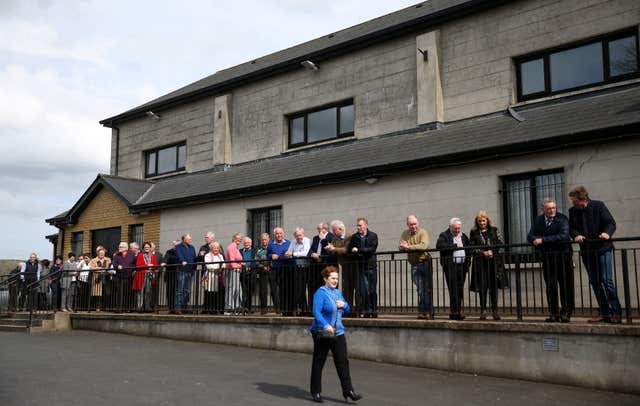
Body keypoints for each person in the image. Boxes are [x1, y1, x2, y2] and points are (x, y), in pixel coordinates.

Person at [568, 186, 622, 324]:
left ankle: (616, 313)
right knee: (595, 282)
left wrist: (607, 233)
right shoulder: (573, 211)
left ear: (583, 199)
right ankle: (604, 313)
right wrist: (576, 235)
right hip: (587, 251)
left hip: (603, 248)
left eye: (575, 201)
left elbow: (610, 222)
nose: (573, 204)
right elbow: (572, 228)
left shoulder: (598, 205)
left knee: (606, 280)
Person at [309, 266, 362, 403]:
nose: (335, 281)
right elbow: (316, 312)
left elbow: (348, 309)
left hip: (338, 332)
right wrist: (325, 325)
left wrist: (344, 305)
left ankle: (348, 390)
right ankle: (316, 391)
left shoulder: (338, 293)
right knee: (319, 361)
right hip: (322, 332)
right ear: (326, 279)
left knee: (342, 361)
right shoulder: (320, 293)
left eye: (337, 278)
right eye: (332, 278)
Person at [527, 200, 574, 323]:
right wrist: (534, 240)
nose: (552, 210)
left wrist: (542, 240)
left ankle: (566, 312)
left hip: (563, 257)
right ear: (544, 210)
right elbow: (530, 235)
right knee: (551, 286)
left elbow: (563, 235)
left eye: (554, 208)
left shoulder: (562, 218)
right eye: (549, 209)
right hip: (547, 258)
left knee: (565, 285)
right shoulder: (539, 220)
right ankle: (554, 313)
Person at [470, 211, 508, 321]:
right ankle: (483, 310)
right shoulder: (474, 232)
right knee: (482, 287)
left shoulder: (494, 230)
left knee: (493, 287)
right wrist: (483, 253)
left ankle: (495, 311)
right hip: (480, 265)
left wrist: (492, 251)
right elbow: (471, 247)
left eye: (483, 220)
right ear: (477, 222)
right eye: (480, 221)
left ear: (487, 221)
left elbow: (501, 243)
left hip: (494, 263)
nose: (482, 223)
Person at [436, 218, 471, 320]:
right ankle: (455, 312)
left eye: (458, 228)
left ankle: (456, 311)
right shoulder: (444, 235)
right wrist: (455, 246)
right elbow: (440, 245)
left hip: (462, 266)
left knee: (459, 290)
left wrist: (468, 263)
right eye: (455, 228)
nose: (457, 231)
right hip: (451, 267)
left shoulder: (463, 236)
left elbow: (469, 249)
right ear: (450, 227)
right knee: (453, 290)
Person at [399, 215, 432, 319]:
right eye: (411, 224)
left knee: (426, 289)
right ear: (407, 225)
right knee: (420, 289)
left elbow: (424, 246)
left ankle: (427, 312)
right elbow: (400, 246)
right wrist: (404, 247)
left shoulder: (423, 232)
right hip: (414, 265)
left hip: (425, 262)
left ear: (418, 223)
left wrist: (408, 247)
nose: (413, 226)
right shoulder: (405, 233)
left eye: (415, 224)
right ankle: (423, 311)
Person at [348, 218, 378, 318]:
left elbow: (372, 249)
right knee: (363, 290)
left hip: (371, 266)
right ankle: (366, 311)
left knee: (372, 290)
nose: (358, 227)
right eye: (357, 225)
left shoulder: (373, 235)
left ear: (366, 225)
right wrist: (354, 251)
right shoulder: (354, 237)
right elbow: (350, 250)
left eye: (360, 225)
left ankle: (374, 311)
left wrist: (359, 250)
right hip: (360, 267)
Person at [325, 220, 355, 313]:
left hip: (354, 265)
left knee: (356, 288)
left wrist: (334, 248)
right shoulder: (335, 238)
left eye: (334, 230)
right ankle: (348, 309)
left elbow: (346, 250)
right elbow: (333, 250)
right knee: (346, 288)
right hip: (344, 265)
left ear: (341, 229)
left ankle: (358, 311)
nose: (333, 233)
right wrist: (329, 249)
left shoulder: (350, 236)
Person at [307, 223, 335, 310]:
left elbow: (329, 250)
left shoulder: (331, 237)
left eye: (319, 229)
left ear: (324, 229)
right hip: (315, 266)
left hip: (326, 266)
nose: (318, 230)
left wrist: (323, 239)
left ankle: (327, 307)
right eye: (318, 229)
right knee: (315, 287)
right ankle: (314, 307)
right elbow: (310, 250)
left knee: (326, 287)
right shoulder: (315, 238)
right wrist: (312, 254)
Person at [267, 227, 292, 316]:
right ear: (274, 235)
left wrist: (282, 257)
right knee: (274, 290)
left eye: (280, 233)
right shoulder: (270, 245)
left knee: (284, 290)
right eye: (277, 234)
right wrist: (271, 256)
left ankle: (285, 309)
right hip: (274, 269)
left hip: (285, 269)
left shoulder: (289, 243)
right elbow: (267, 255)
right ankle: (277, 309)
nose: (279, 235)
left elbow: (291, 254)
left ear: (283, 234)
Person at [255, 233, 279, 314]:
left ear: (268, 239)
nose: (264, 241)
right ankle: (263, 309)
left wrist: (270, 266)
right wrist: (263, 267)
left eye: (265, 239)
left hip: (272, 270)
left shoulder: (273, 248)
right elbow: (256, 261)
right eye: (262, 240)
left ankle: (277, 308)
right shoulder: (259, 250)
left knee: (274, 290)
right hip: (263, 271)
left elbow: (276, 257)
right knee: (263, 291)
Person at [289, 228, 311, 315]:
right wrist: (289, 253)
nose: (299, 237)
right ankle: (303, 309)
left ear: (303, 234)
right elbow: (289, 251)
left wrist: (294, 254)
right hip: (298, 268)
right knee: (300, 289)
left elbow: (306, 253)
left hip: (308, 268)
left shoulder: (307, 241)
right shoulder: (293, 242)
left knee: (309, 289)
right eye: (297, 236)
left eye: (300, 235)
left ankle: (309, 309)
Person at [175, 234, 197, 314]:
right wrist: (182, 261)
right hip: (182, 270)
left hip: (190, 271)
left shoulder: (192, 247)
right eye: (189, 239)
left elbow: (194, 258)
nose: (190, 240)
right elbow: (179, 255)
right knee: (180, 290)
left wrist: (195, 267)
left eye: (190, 239)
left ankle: (184, 307)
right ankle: (178, 308)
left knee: (187, 290)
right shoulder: (178, 247)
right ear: (184, 239)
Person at [133, 242, 158, 312]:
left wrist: (153, 267)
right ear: (143, 248)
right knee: (140, 291)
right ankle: (139, 307)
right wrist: (147, 266)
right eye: (145, 247)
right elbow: (138, 265)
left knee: (148, 292)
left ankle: (147, 306)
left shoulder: (153, 256)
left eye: (148, 247)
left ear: (150, 248)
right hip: (141, 275)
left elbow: (155, 265)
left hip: (149, 275)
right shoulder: (140, 255)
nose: (147, 248)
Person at [112, 242, 137, 312]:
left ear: (126, 248)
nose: (119, 248)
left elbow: (135, 264)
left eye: (121, 247)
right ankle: (119, 308)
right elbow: (114, 263)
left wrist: (133, 269)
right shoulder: (117, 255)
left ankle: (127, 308)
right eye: (119, 246)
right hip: (119, 276)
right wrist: (117, 266)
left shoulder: (132, 254)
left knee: (128, 293)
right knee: (119, 293)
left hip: (128, 276)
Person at [203, 242, 225, 314]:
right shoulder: (207, 255)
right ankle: (209, 309)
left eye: (217, 248)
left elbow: (224, 264)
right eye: (215, 248)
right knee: (210, 293)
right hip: (210, 276)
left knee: (217, 293)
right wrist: (218, 268)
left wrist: (220, 268)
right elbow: (208, 266)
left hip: (218, 276)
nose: (216, 249)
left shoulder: (220, 256)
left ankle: (215, 309)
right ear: (211, 248)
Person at [225, 233, 244, 315]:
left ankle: (236, 306)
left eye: (240, 238)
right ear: (234, 238)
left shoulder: (235, 247)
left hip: (236, 270)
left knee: (237, 289)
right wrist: (238, 266)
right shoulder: (231, 247)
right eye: (237, 238)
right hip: (233, 270)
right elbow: (232, 260)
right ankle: (229, 307)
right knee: (232, 289)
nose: (239, 240)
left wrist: (240, 264)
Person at [239, 237, 256, 314]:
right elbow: (239, 261)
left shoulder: (254, 251)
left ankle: (248, 307)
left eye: (248, 243)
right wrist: (244, 266)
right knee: (244, 291)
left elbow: (255, 261)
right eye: (245, 243)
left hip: (251, 273)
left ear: (251, 243)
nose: (246, 244)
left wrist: (249, 266)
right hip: (242, 273)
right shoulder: (240, 251)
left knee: (250, 291)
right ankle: (244, 307)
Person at [163, 241, 179, 313]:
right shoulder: (169, 252)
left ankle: (178, 308)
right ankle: (171, 308)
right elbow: (166, 258)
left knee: (179, 292)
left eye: (177, 245)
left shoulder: (182, 252)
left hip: (179, 274)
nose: (176, 246)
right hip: (170, 275)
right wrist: (164, 262)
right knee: (170, 292)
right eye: (175, 245)